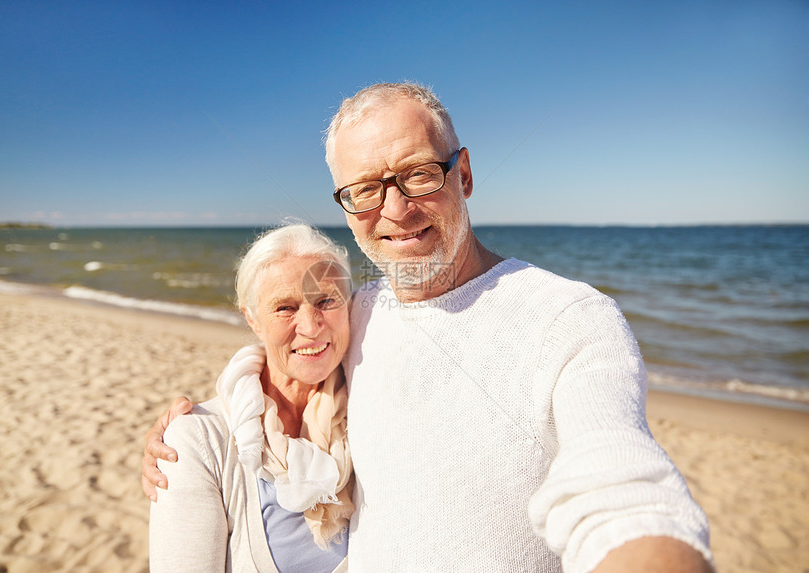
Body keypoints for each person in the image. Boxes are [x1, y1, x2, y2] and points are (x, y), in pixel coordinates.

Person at [143, 83, 715, 572]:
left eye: (418, 174)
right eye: (364, 189)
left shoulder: (569, 319)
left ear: (462, 173)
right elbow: (286, 353)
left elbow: (617, 485)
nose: (394, 210)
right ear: (345, 205)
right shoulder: (359, 313)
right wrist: (188, 428)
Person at [148, 223, 354, 572]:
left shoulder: (374, 407)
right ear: (252, 318)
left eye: (326, 301)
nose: (310, 325)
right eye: (285, 308)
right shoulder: (197, 440)